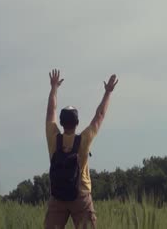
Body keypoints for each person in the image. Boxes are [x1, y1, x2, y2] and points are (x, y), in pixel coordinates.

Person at [44, 69, 119, 229]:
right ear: (77, 123)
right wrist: (107, 93)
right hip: (81, 196)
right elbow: (100, 116)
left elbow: (51, 111)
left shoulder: (53, 136)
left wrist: (54, 88)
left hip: (57, 197)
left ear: (62, 123)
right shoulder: (84, 139)